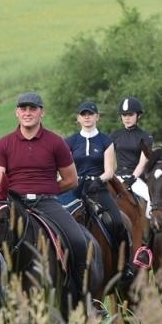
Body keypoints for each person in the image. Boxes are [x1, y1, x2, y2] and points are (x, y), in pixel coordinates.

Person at [0, 92, 93, 312]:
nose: (27, 113)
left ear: (41, 112)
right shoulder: (3, 144)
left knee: (78, 241)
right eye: (23, 109)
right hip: (13, 205)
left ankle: (82, 296)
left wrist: (46, 190)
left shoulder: (56, 142)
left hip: (47, 203)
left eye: (32, 109)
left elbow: (71, 179)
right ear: (17, 112)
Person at [61, 99, 137, 285]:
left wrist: (98, 180)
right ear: (78, 118)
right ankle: (61, 266)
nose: (87, 117)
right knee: (58, 222)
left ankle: (125, 266)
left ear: (97, 117)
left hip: (98, 188)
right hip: (75, 189)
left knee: (118, 222)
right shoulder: (69, 142)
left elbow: (109, 170)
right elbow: (65, 169)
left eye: (90, 114)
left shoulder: (105, 140)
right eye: (83, 114)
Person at [110, 96, 155, 211]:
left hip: (136, 178)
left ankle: (156, 228)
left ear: (138, 115)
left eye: (130, 115)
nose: (127, 118)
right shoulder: (115, 135)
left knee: (151, 200)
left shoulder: (145, 137)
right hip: (118, 176)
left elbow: (142, 163)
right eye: (124, 115)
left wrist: (132, 178)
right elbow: (109, 159)